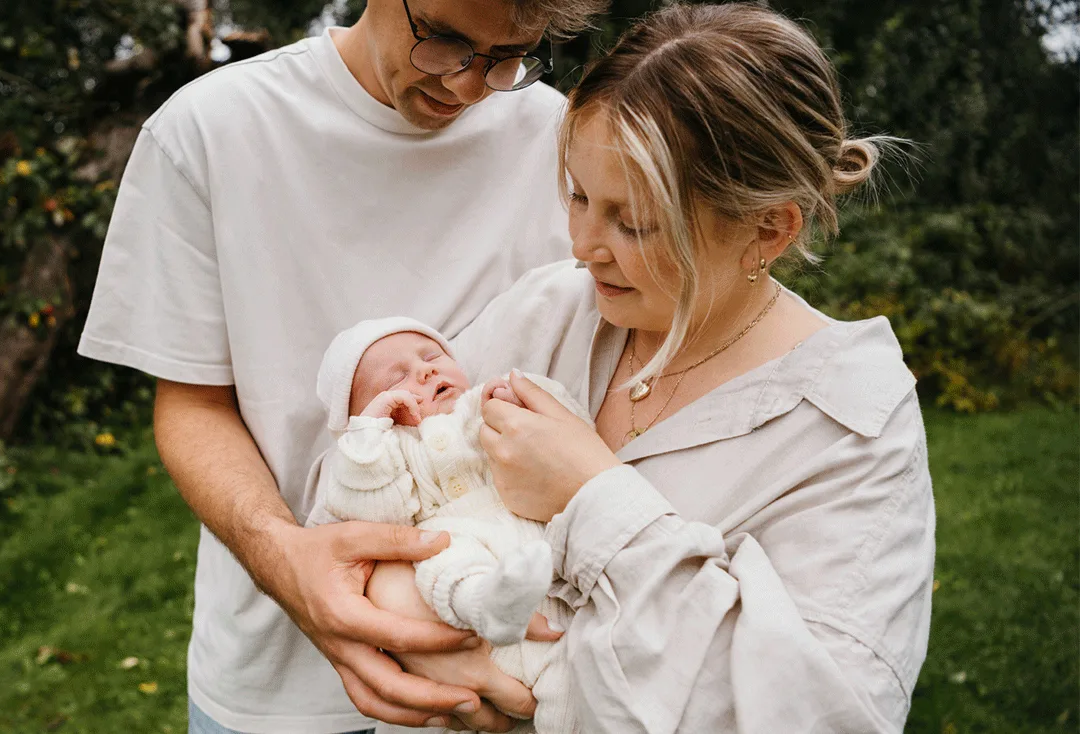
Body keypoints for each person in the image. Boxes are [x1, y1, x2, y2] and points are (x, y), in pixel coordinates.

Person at [365, 4, 936, 732]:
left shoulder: (849, 432)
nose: (583, 246)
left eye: (634, 223)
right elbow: (378, 489)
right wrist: (419, 639)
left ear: (769, 225)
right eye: (576, 196)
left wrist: (595, 498)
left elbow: (820, 715)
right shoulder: (551, 311)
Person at [76, 0, 607, 730]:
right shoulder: (207, 130)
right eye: (445, 39)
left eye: (508, 54)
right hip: (277, 687)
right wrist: (284, 560)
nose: (467, 84)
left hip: (518, 670)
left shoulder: (560, 138)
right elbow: (193, 404)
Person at [309, 317, 589, 733]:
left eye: (432, 356)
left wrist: (524, 397)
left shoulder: (484, 407)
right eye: (397, 377)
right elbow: (375, 513)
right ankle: (488, 605)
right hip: (453, 561)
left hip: (538, 567)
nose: (424, 371)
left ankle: (506, 607)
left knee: (570, 691)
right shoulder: (382, 452)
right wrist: (369, 435)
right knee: (444, 557)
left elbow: (569, 431)